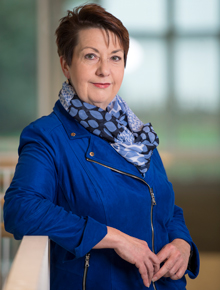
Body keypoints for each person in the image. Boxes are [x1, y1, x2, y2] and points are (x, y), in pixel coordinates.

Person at [4, 4, 199, 290]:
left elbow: (164, 206)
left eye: (115, 58)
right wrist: (113, 238)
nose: (104, 70)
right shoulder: (47, 136)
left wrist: (182, 243)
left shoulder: (138, 135)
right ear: (66, 65)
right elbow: (21, 209)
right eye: (90, 56)